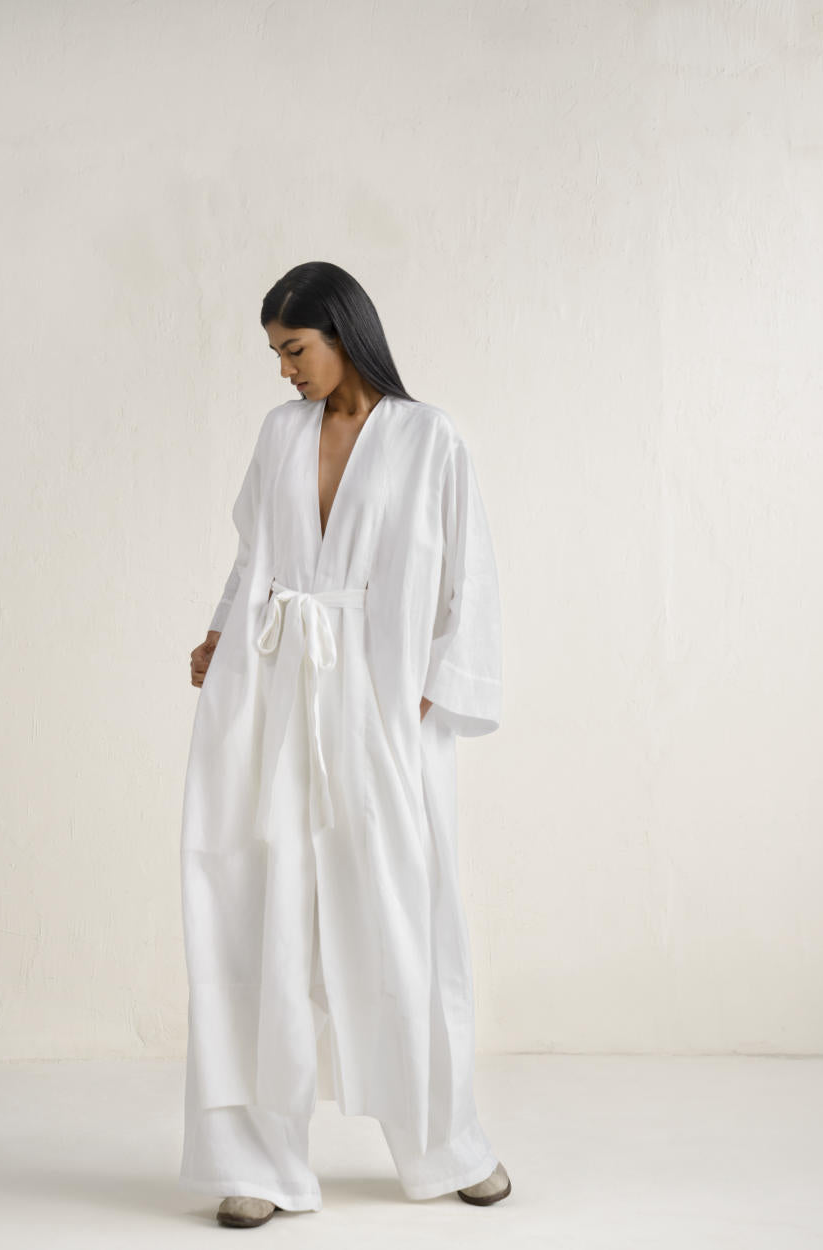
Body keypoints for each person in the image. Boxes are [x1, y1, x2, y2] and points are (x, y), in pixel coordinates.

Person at [178, 261, 511, 1228]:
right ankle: (258, 1162)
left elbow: (471, 578)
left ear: (343, 333)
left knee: (404, 921)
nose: (284, 371)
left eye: (295, 350)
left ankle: (446, 1142)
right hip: (276, 694)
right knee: (262, 914)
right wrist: (221, 633)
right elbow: (255, 554)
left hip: (379, 706)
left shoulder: (429, 439)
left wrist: (430, 692)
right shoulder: (280, 434)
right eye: (276, 355)